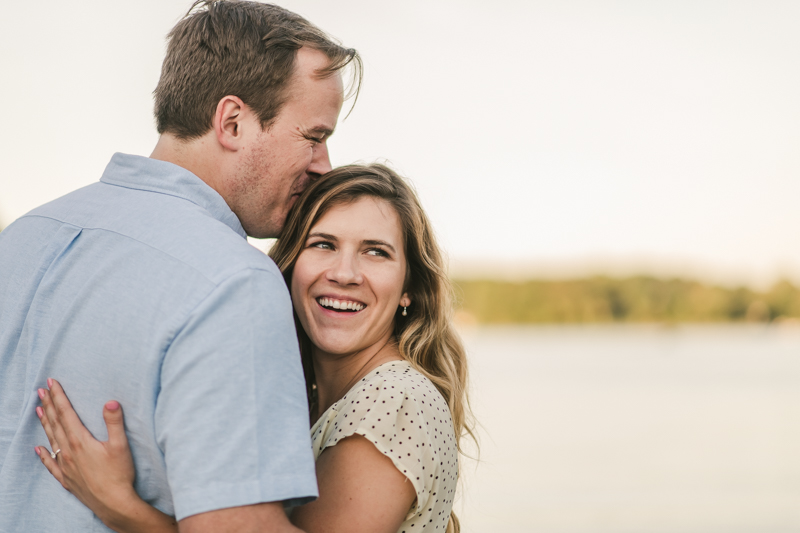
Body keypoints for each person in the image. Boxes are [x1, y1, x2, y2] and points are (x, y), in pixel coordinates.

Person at [0, 2, 361, 531]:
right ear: (233, 122)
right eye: (314, 136)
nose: (325, 164)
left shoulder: (22, 237)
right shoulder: (234, 283)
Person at [35, 164, 474, 532]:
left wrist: (120, 506)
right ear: (291, 264)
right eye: (323, 244)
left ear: (408, 290)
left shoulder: (395, 399)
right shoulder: (325, 398)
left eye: (375, 252)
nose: (345, 273)